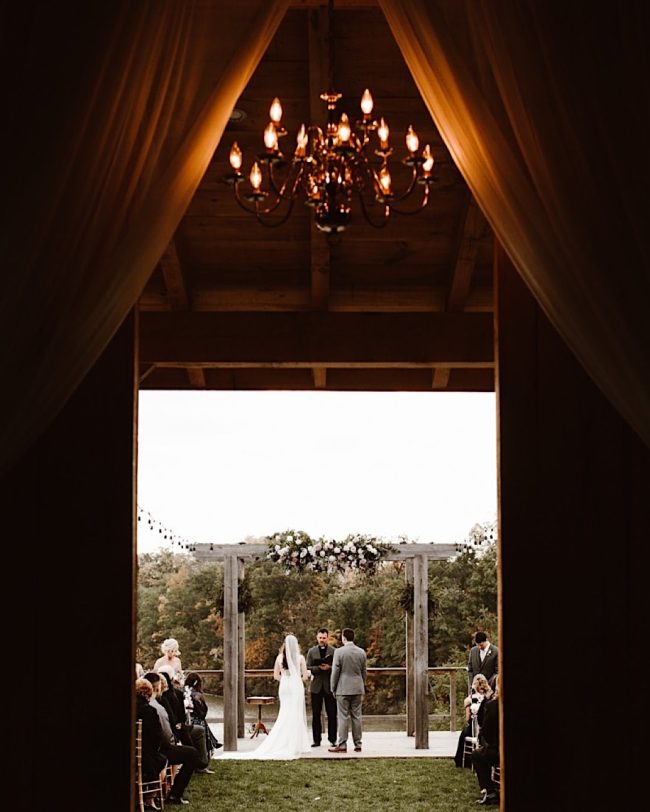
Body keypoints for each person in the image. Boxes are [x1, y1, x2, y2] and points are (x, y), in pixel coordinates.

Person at [220, 634, 310, 760]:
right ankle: (296, 743)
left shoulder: (279, 657)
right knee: (295, 713)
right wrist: (296, 679)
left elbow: (276, 676)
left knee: (284, 712)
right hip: (295, 687)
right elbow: (305, 676)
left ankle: (283, 740)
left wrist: (285, 679)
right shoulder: (300, 658)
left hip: (284, 687)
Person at [144, 672, 199, 805]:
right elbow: (167, 736)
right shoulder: (157, 708)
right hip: (156, 752)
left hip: (143, 751)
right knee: (192, 754)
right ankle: (175, 794)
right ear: (157, 688)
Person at [328, 628, 367, 753]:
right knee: (357, 716)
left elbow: (335, 672)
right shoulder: (361, 652)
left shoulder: (339, 652)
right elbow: (364, 672)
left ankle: (342, 744)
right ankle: (358, 743)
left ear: (343, 638)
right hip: (357, 687)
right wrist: (362, 684)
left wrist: (332, 687)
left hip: (343, 688)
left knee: (343, 716)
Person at [305, 627, 338, 748]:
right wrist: (318, 668)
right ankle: (316, 740)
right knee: (316, 714)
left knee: (332, 714)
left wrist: (329, 667)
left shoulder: (334, 651)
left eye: (324, 638)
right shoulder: (311, 651)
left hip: (330, 685)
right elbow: (307, 667)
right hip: (316, 686)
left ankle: (333, 739)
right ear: (317, 638)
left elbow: (337, 667)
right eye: (320, 638)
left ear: (327, 638)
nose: (322, 640)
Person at [453, 674, 493, 767]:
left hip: (474, 729)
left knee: (463, 734)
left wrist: (467, 706)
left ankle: (462, 761)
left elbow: (467, 718)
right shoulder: (490, 698)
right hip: (487, 728)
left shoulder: (470, 699)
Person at [472, 675, 500, 805]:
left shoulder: (493, 706)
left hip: (499, 752)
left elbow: (487, 732)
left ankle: (490, 792)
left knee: (477, 755)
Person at [184, 672, 222, 765]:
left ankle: (214, 742)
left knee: (203, 723)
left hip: (186, 720)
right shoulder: (197, 695)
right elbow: (203, 712)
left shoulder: (184, 692)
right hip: (196, 721)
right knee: (203, 723)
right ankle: (208, 751)